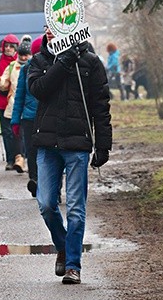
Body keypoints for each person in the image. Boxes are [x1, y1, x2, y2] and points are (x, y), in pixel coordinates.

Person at [28, 27, 112, 285]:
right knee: (45, 203)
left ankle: (73, 265)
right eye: (47, 28)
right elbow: (38, 90)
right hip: (47, 143)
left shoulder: (90, 61)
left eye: (56, 28)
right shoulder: (40, 59)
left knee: (76, 208)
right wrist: (63, 61)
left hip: (77, 144)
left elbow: (101, 104)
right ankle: (63, 245)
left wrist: (103, 145)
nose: (50, 33)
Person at [11, 35, 42, 196]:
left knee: (47, 152)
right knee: (31, 151)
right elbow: (19, 96)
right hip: (29, 118)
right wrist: (16, 120)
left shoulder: (53, 68)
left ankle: (51, 185)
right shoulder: (25, 70)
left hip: (47, 117)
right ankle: (34, 180)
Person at [0, 41, 31, 173]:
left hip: (29, 106)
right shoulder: (12, 67)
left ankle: (25, 159)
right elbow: (4, 84)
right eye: (21, 55)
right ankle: (18, 158)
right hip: (14, 104)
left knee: (26, 134)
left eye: (25, 55)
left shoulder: (33, 65)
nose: (23, 58)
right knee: (16, 133)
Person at [0, 34, 20, 170]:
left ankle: (19, 157)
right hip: (2, 101)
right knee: (6, 132)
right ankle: (10, 158)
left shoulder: (19, 62)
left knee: (17, 131)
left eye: (11, 46)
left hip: (16, 101)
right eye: (6, 46)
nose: (8, 48)